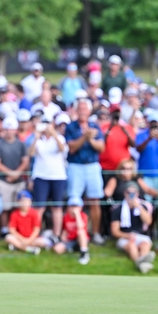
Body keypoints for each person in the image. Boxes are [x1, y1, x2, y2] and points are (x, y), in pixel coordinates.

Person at [65, 99, 105, 244]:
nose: (82, 111)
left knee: (95, 200)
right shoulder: (71, 127)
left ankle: (95, 233)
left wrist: (90, 140)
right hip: (76, 166)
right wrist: (85, 137)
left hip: (92, 165)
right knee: (74, 201)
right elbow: (72, 147)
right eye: (80, 108)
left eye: (84, 108)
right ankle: (72, 234)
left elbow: (101, 147)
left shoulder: (95, 126)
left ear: (89, 111)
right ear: (76, 111)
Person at [28, 116, 67, 237]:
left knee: (57, 208)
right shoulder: (38, 139)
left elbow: (62, 149)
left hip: (58, 176)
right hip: (41, 176)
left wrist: (54, 134)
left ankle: (57, 234)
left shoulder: (60, 137)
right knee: (39, 207)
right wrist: (35, 137)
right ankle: (36, 234)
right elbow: (31, 153)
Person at [0, 116, 29, 231]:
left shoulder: (21, 144)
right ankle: (4, 230)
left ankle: (14, 228)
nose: (9, 131)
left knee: (17, 206)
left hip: (18, 180)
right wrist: (11, 173)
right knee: (4, 207)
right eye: (7, 129)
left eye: (11, 129)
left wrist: (16, 174)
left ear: (15, 130)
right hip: (3, 180)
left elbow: (25, 161)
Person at [110, 181, 154, 274]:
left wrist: (139, 207)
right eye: (128, 192)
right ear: (124, 193)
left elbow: (148, 221)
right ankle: (139, 263)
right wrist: (127, 236)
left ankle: (142, 263)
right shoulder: (118, 209)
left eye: (133, 192)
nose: (131, 195)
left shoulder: (143, 206)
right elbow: (115, 231)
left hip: (140, 236)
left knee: (145, 244)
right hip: (124, 237)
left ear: (137, 193)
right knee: (132, 246)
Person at [4, 190, 50, 254]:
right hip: (19, 238)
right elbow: (12, 230)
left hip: (32, 238)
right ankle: (29, 249)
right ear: (18, 202)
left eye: (26, 201)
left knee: (42, 242)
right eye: (22, 201)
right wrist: (22, 239)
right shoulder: (14, 214)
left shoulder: (34, 213)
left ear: (30, 201)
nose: (24, 203)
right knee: (8, 238)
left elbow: (36, 229)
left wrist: (29, 240)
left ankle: (17, 246)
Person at [52, 197, 90, 265]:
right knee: (57, 249)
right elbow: (64, 229)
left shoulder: (83, 216)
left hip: (79, 239)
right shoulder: (65, 217)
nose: (74, 209)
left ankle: (84, 253)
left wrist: (77, 214)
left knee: (81, 232)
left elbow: (81, 226)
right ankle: (72, 249)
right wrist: (63, 235)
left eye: (76, 206)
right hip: (70, 239)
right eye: (72, 206)